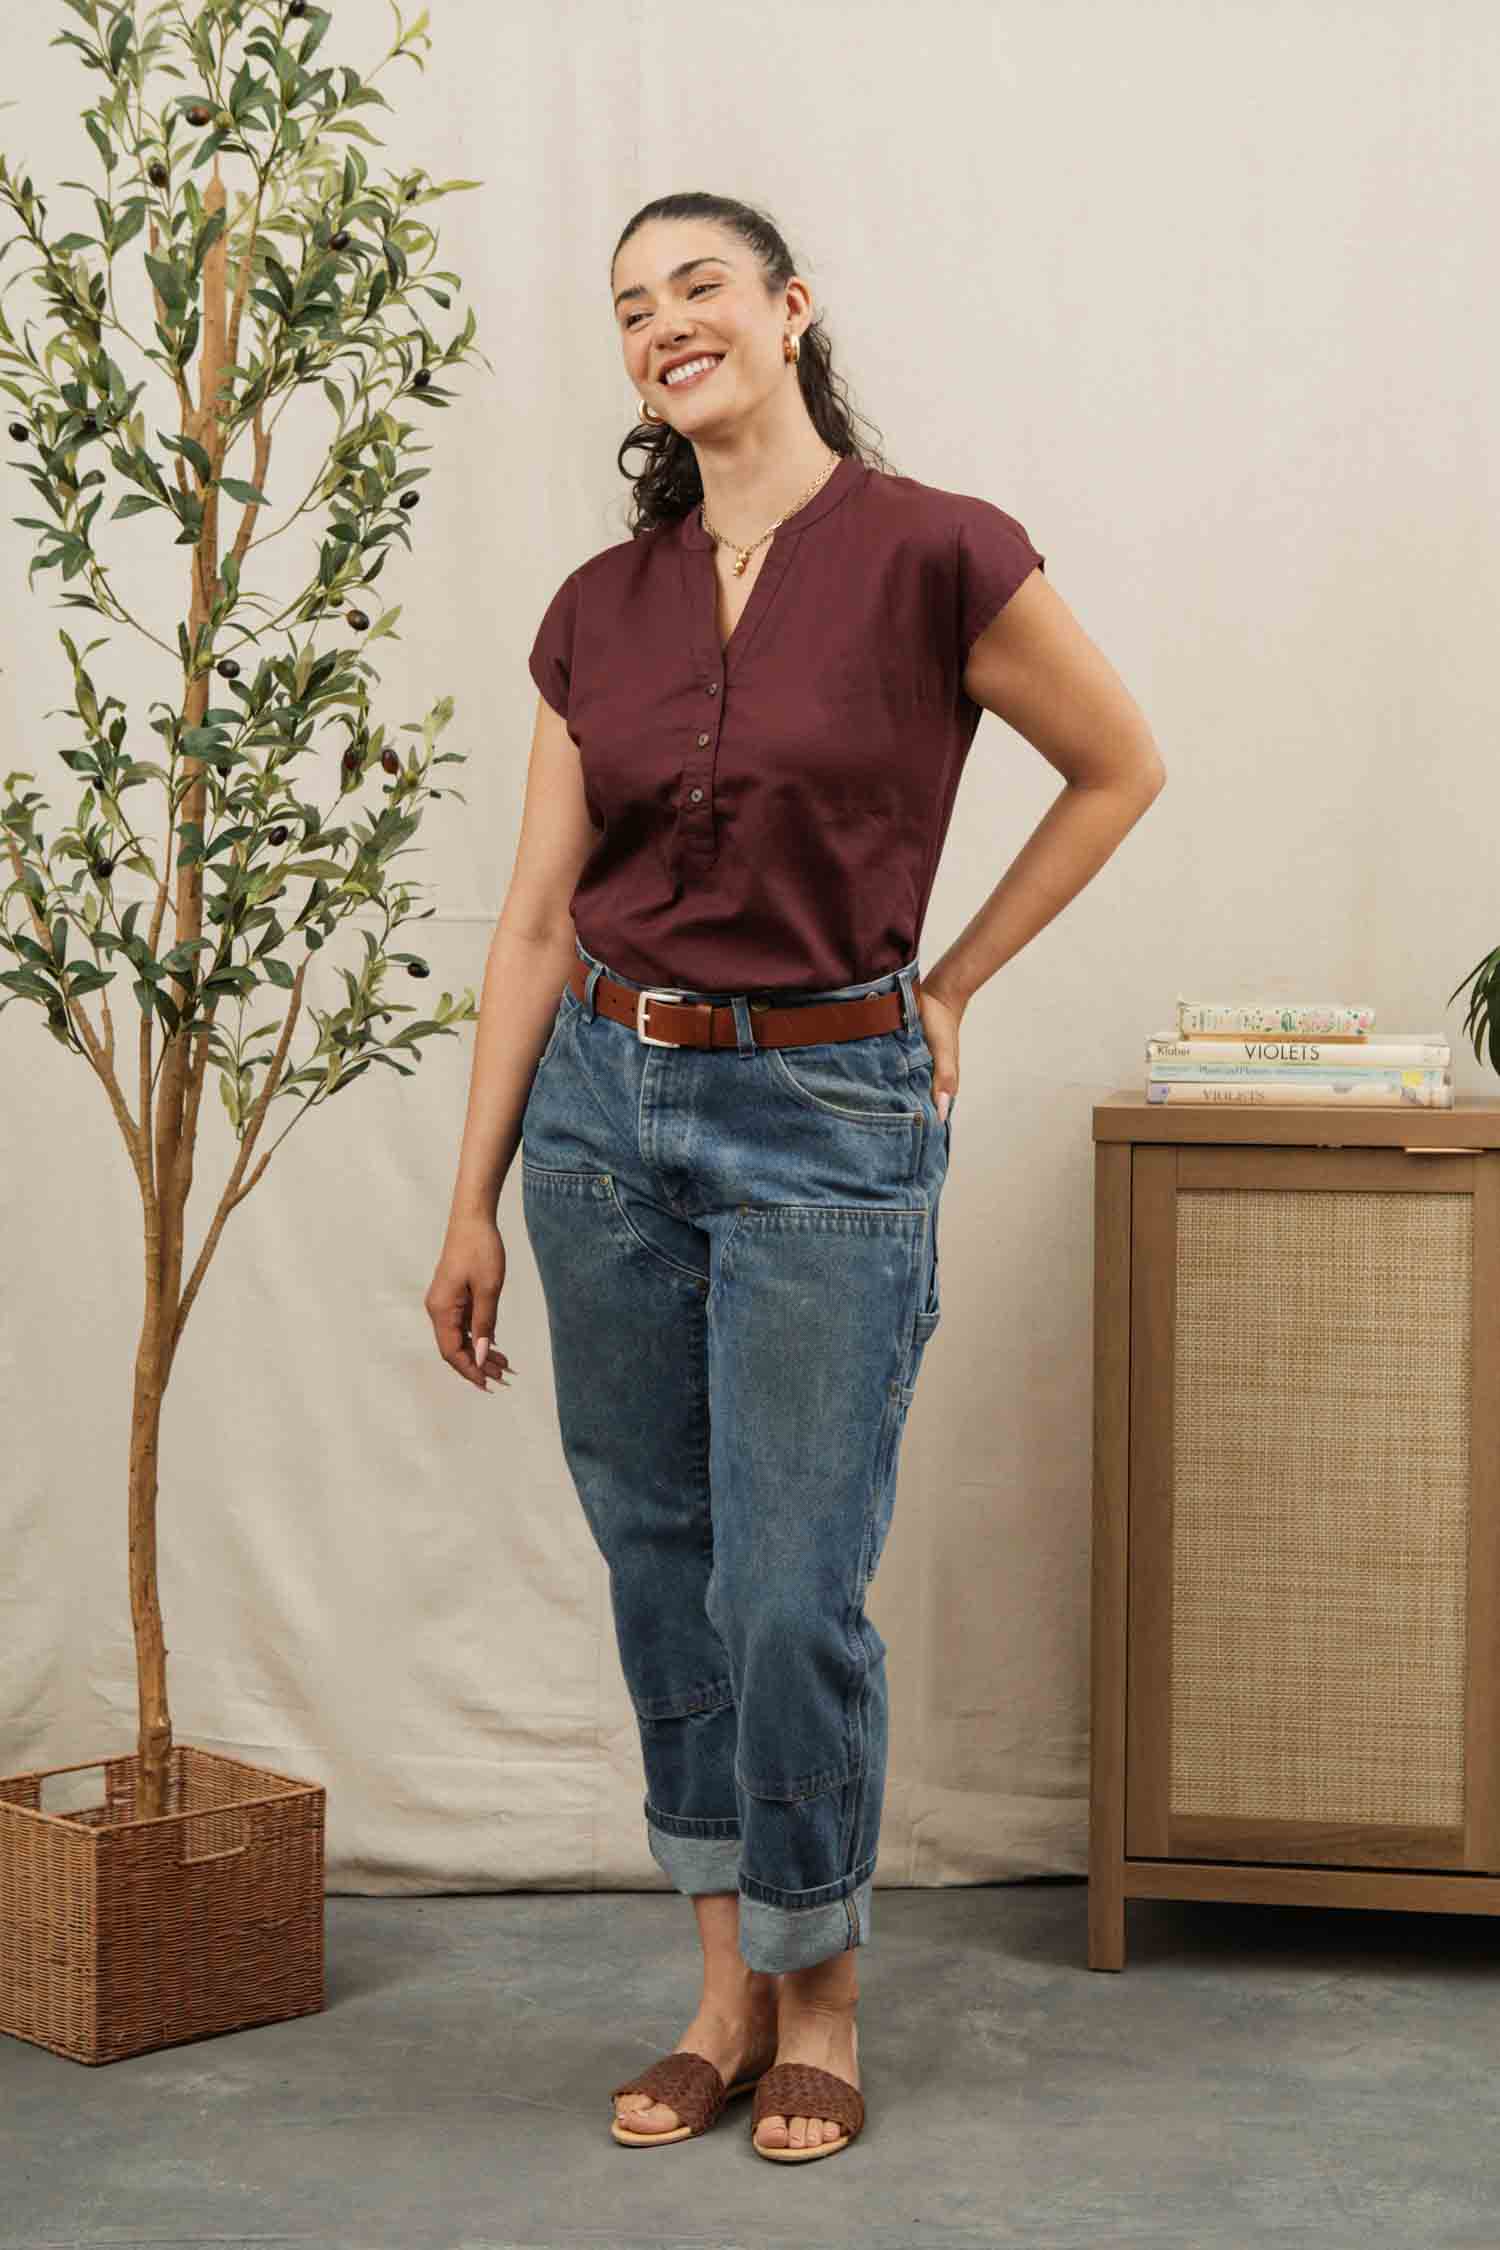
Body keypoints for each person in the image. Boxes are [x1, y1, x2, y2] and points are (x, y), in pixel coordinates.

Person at [425, 192, 1166, 2164]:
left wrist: (958, 983)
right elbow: (525, 926)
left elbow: (1118, 762)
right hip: (602, 1114)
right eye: (632, 307)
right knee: (663, 1562)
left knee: (786, 1585)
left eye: (699, 289)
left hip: (826, 1118)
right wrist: (470, 1192)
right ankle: (724, 1988)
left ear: (788, 309)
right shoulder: (602, 602)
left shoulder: (939, 552)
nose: (667, 326)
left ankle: (825, 1984)